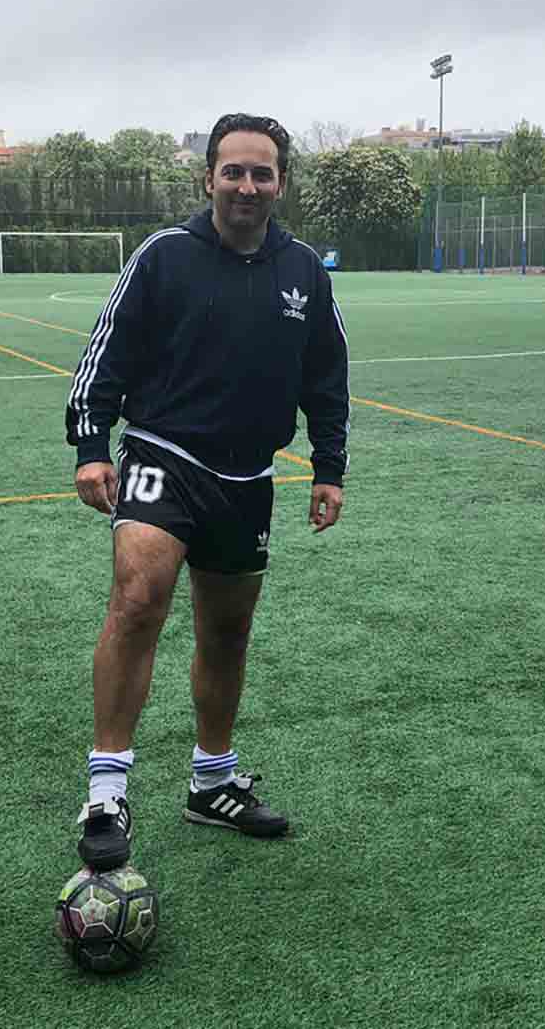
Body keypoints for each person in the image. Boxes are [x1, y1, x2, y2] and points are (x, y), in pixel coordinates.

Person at [64, 112, 350, 870]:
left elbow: (328, 375)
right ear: (209, 179)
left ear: (280, 183)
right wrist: (91, 447)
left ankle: (212, 782)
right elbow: (104, 354)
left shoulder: (304, 270)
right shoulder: (165, 256)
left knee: (227, 633)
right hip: (164, 452)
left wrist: (329, 467)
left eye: (262, 173)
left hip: (248, 474)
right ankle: (106, 792)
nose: (247, 186)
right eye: (234, 172)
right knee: (137, 600)